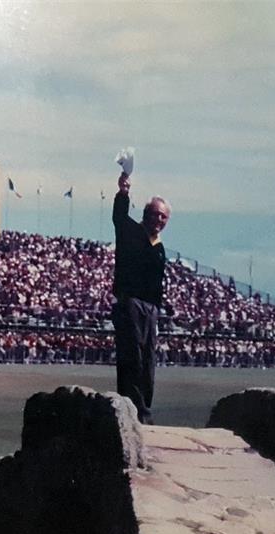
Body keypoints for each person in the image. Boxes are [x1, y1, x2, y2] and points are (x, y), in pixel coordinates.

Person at [111, 172, 171, 424]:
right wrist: (123, 192)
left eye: (163, 216)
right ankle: (131, 410)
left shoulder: (160, 247)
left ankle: (144, 412)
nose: (158, 219)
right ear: (145, 214)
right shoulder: (131, 232)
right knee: (132, 357)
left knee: (148, 361)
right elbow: (119, 216)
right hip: (131, 303)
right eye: (155, 214)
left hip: (151, 308)